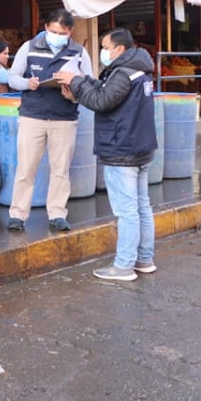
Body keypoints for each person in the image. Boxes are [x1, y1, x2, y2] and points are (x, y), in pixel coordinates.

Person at [53, 28, 157, 281]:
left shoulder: (124, 72)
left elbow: (102, 101)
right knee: (142, 206)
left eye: (105, 47)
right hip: (140, 146)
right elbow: (105, 90)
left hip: (122, 149)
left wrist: (75, 81)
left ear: (119, 49)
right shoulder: (138, 69)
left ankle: (123, 266)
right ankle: (144, 259)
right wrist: (82, 82)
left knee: (127, 211)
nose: (103, 51)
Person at [6, 9, 94, 232]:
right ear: (45, 28)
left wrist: (73, 93)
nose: (57, 36)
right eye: (54, 31)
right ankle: (18, 214)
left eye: (62, 33)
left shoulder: (79, 52)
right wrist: (28, 84)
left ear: (70, 31)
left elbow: (90, 83)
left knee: (60, 170)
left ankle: (57, 214)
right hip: (32, 116)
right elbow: (12, 78)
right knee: (26, 168)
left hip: (64, 118)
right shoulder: (29, 47)